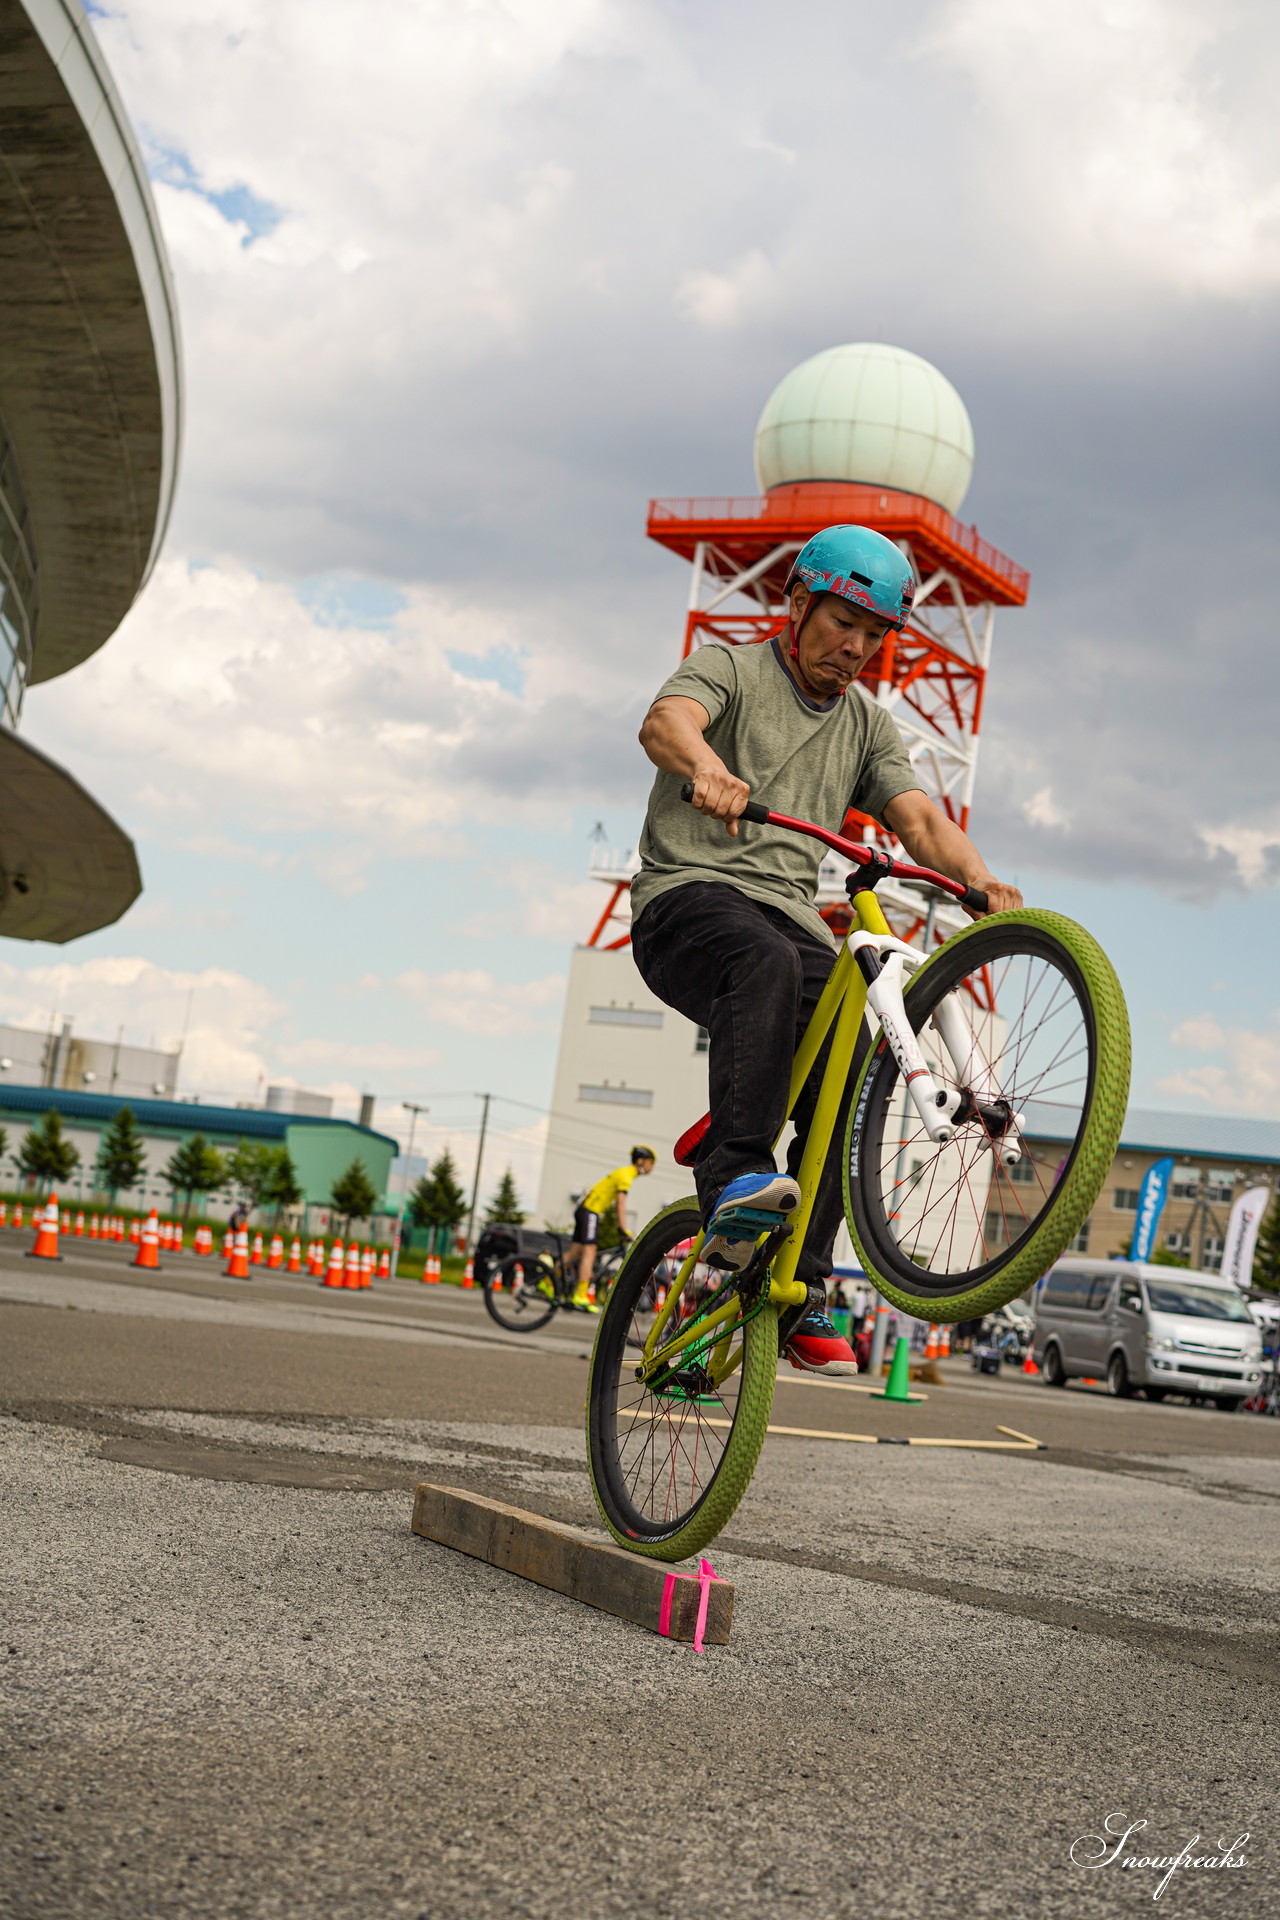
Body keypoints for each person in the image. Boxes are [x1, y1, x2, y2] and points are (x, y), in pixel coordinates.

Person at [630, 523, 1022, 1376]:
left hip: (789, 918)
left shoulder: (868, 728)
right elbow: (667, 722)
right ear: (798, 602)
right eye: (843, 622)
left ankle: (804, 1282)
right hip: (685, 902)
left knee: (855, 1057)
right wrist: (704, 767)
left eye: (875, 634)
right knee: (761, 963)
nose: (856, 647)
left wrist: (982, 882)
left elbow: (918, 820)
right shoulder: (729, 669)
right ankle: (735, 1170)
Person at [564, 1146, 656, 1305]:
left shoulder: (624, 1173)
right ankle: (580, 1295)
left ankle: (547, 1280)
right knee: (590, 1250)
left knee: (574, 1253)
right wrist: (624, 1229)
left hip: (584, 1209)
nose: (651, 1167)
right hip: (591, 1211)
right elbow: (620, 1205)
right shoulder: (626, 1176)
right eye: (650, 1162)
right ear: (640, 1161)